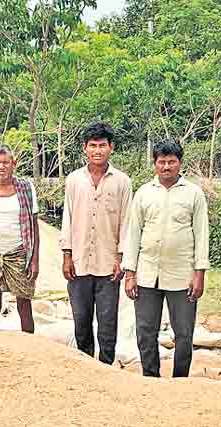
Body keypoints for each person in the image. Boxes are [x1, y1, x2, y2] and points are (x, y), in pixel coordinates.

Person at [123, 139, 209, 379]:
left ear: (180, 164)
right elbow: (133, 234)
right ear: (155, 164)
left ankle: (180, 380)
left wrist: (199, 273)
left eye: (172, 162)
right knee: (145, 331)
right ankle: (151, 378)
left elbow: (201, 235)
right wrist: (130, 273)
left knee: (183, 333)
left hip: (182, 275)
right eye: (162, 162)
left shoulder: (193, 194)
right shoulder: (144, 193)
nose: (167, 167)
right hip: (147, 273)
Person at [61, 122, 132, 365]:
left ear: (111, 148)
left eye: (102, 145)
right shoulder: (74, 180)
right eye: (93, 145)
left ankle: (106, 368)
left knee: (107, 321)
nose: (97, 150)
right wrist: (67, 256)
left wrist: (121, 259)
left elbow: (126, 222)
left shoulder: (122, 182)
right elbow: (67, 219)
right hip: (79, 262)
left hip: (108, 264)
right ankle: (85, 368)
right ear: (85, 148)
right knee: (81, 320)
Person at [0, 145, 41, 334]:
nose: (1, 167)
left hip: (20, 253)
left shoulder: (26, 189)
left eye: (6, 162)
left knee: (24, 305)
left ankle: (29, 346)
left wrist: (34, 260)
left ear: (14, 164)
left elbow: (34, 227)